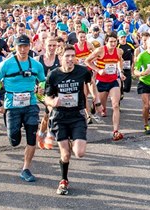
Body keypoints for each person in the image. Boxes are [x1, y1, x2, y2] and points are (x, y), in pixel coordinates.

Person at [0, 34, 46, 182]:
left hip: (31, 105)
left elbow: (43, 80)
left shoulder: (36, 65)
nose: (23, 49)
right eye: (20, 46)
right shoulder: (7, 64)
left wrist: (41, 87)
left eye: (25, 46)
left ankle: (26, 169)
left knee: (31, 138)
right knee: (14, 141)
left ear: (30, 47)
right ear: (15, 47)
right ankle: (12, 128)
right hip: (12, 106)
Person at [44, 44, 92, 195]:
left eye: (73, 56)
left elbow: (91, 83)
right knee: (65, 154)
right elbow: (47, 97)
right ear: (61, 58)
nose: (71, 59)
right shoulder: (53, 75)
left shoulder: (82, 71)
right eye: (67, 56)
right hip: (60, 117)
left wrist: (95, 99)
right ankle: (63, 180)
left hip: (77, 115)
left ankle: (73, 141)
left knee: (79, 153)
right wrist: (53, 102)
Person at [85, 32, 125, 141]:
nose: (113, 44)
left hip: (113, 81)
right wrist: (98, 70)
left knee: (116, 105)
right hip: (101, 81)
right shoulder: (100, 51)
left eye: (115, 41)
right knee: (100, 108)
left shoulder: (119, 51)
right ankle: (95, 104)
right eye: (111, 41)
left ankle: (115, 131)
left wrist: (120, 72)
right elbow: (87, 61)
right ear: (106, 42)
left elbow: (120, 61)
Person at [36, 37, 62, 149]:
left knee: (47, 115)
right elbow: (32, 76)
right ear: (44, 46)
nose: (51, 48)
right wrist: (36, 87)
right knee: (52, 111)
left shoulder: (60, 59)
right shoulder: (37, 59)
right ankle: (49, 136)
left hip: (55, 91)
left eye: (54, 45)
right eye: (49, 45)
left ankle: (41, 133)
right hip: (41, 92)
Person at [117, 31, 135, 100]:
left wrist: (133, 65)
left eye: (124, 37)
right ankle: (120, 93)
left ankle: (122, 92)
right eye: (122, 37)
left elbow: (133, 55)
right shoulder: (117, 46)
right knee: (119, 83)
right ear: (118, 38)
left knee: (127, 88)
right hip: (119, 68)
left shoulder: (130, 45)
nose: (123, 39)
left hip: (127, 67)